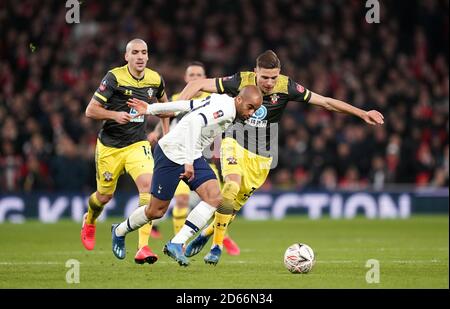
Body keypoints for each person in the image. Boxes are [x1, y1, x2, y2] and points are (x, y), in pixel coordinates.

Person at [177, 50, 385, 265]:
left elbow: (326, 102)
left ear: (280, 74)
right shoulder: (241, 80)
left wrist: (362, 113)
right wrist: (177, 111)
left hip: (262, 156)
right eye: (264, 77)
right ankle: (217, 247)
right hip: (234, 141)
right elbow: (197, 84)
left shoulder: (287, 87)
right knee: (230, 187)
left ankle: (206, 233)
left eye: (273, 77)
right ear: (255, 71)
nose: (269, 83)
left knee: (233, 208)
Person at [111, 85, 263, 266]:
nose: (252, 113)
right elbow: (194, 123)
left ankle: (176, 243)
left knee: (214, 197)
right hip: (171, 153)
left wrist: (150, 109)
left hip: (191, 154)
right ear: (239, 100)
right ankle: (119, 231)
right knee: (156, 211)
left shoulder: (221, 99)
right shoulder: (226, 110)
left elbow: (188, 105)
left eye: (255, 109)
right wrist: (189, 162)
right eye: (250, 107)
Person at [82, 38, 169, 265]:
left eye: (144, 52)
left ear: (148, 56)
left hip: (137, 144)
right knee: (104, 196)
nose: (140, 56)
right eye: (135, 52)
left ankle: (143, 247)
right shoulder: (114, 77)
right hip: (110, 146)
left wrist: (166, 136)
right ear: (127, 56)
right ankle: (90, 219)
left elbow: (165, 107)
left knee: (148, 188)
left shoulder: (155, 78)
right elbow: (90, 110)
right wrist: (114, 115)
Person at [169, 61, 240, 255]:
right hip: (181, 156)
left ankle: (222, 236)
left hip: (205, 158)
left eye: (198, 75)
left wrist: (218, 152)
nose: (194, 78)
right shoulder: (178, 98)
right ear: (186, 79)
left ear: (204, 78)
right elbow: (167, 117)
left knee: (220, 200)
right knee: (182, 200)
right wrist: (160, 133)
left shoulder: (215, 99)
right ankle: (179, 243)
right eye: (191, 75)